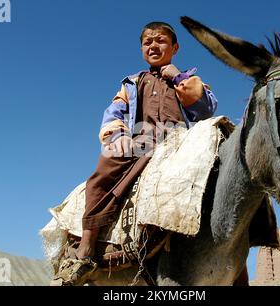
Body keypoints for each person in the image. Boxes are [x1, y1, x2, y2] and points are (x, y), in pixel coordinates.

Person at [56, 21, 218, 286]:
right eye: (147, 42)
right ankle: (85, 247)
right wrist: (118, 136)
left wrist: (178, 77)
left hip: (181, 140)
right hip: (141, 139)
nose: (153, 45)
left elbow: (206, 109)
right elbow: (114, 113)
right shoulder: (132, 83)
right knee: (105, 168)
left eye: (161, 40)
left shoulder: (187, 79)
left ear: (175, 47)